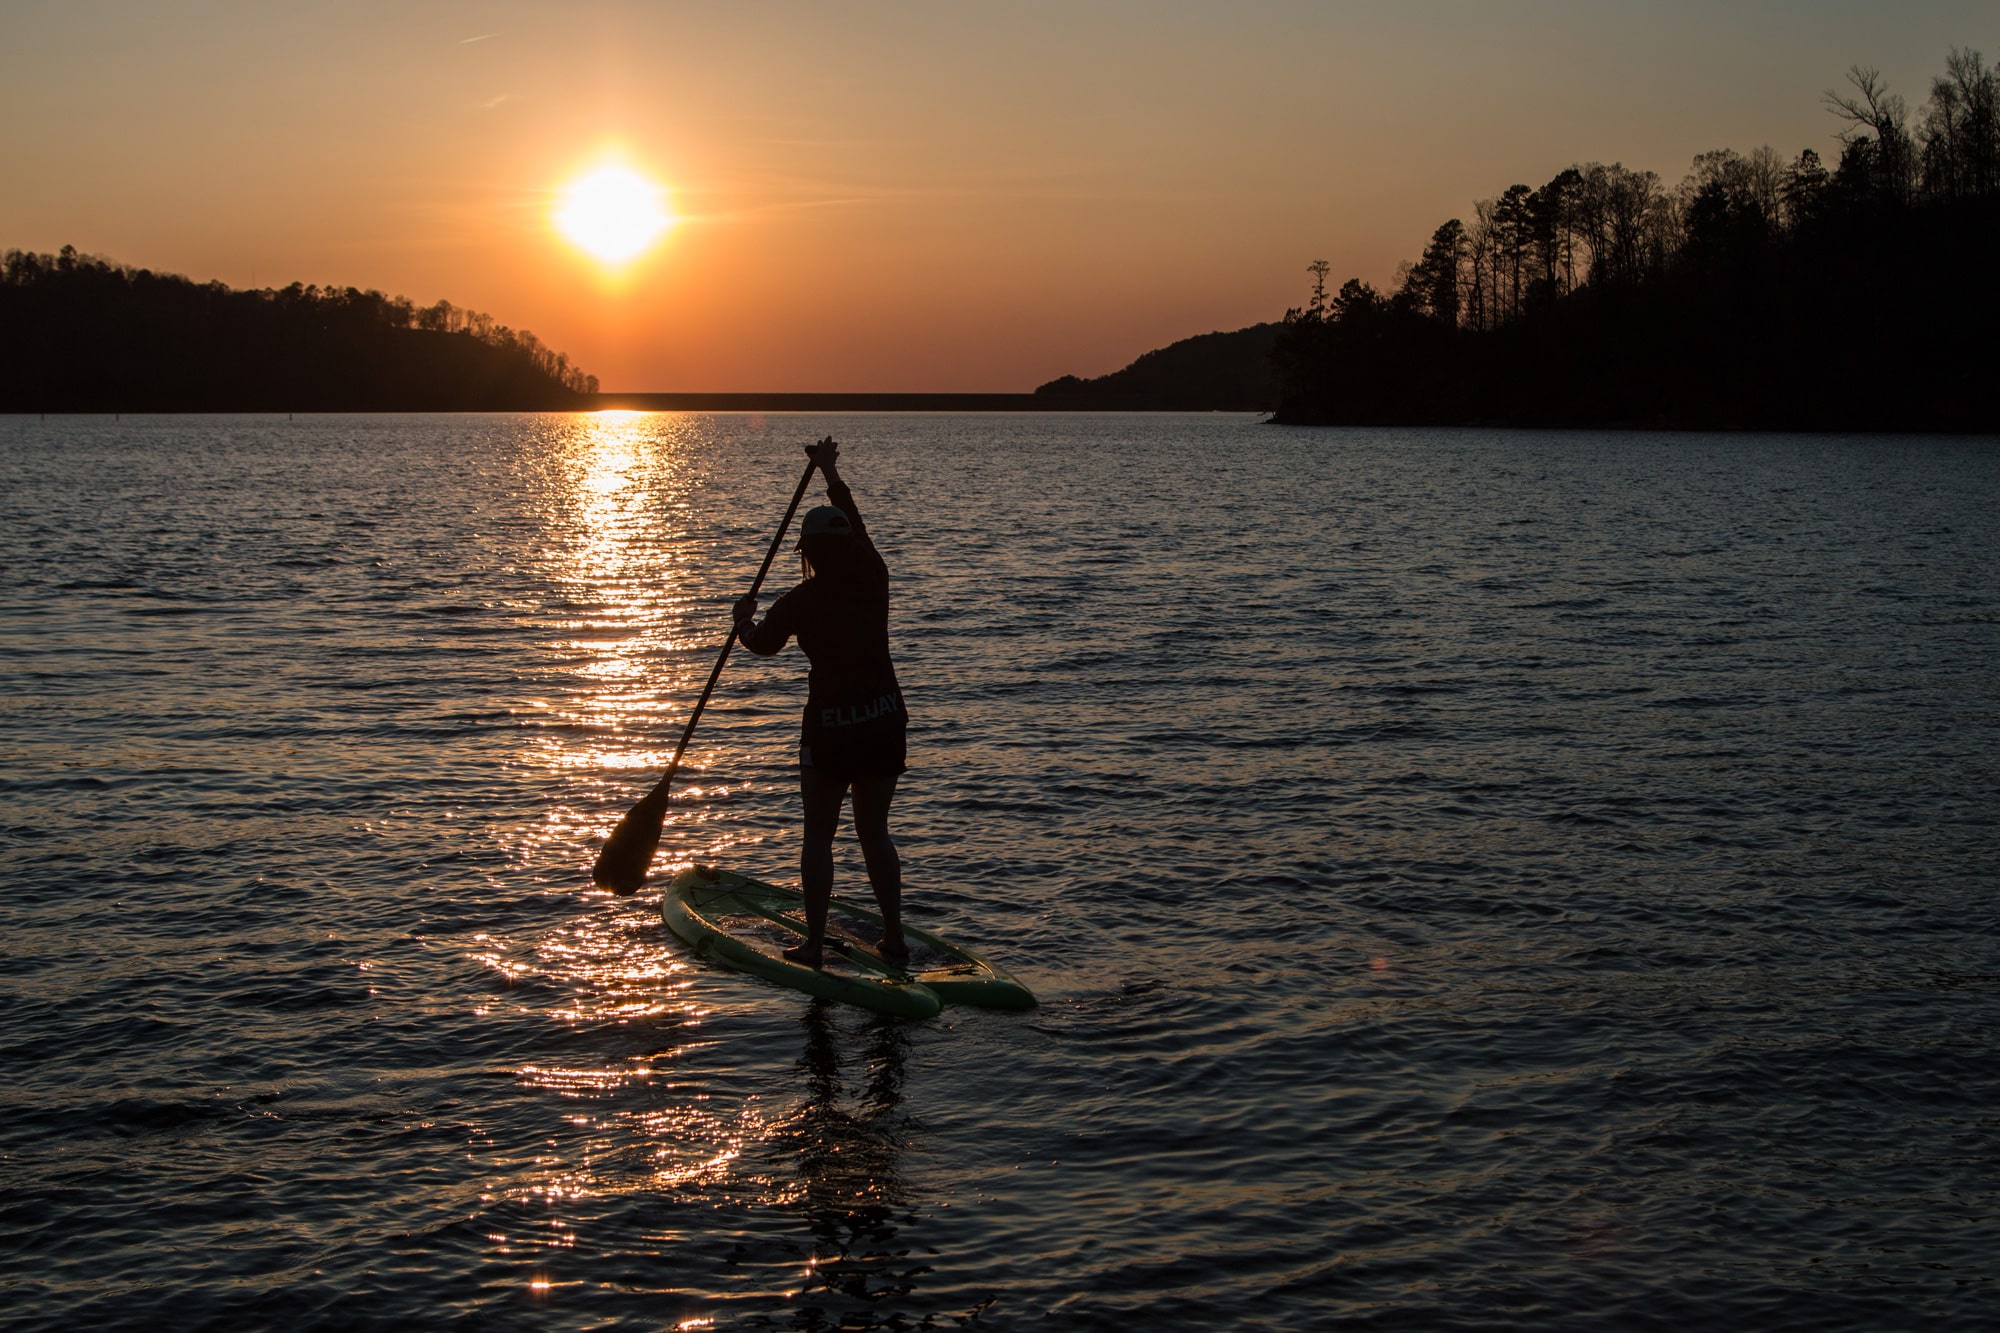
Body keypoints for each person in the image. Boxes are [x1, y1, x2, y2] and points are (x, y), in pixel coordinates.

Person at [734, 438, 909, 967]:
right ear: (851, 545)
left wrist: (742, 620)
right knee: (874, 832)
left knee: (819, 835)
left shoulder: (798, 603)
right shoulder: (875, 578)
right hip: (883, 722)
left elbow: (762, 644)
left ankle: (812, 945)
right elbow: (856, 525)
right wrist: (831, 473)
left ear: (805, 553)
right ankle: (895, 938)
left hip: (831, 731)